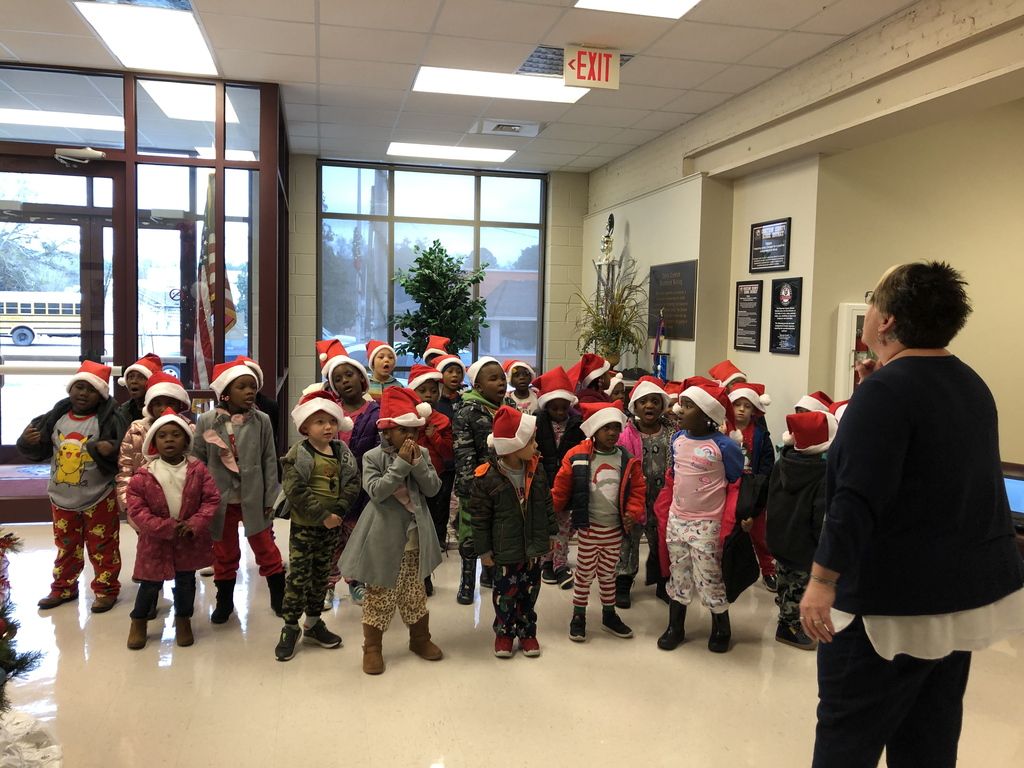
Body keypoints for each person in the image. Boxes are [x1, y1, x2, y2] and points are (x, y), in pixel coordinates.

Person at [799, 262, 1024, 768]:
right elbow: (927, 473)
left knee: (847, 738)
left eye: (872, 297)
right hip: (955, 602)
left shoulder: (886, 393)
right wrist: (869, 396)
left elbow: (856, 497)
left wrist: (821, 580)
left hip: (887, 610)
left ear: (886, 320)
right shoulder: (969, 383)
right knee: (928, 736)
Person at [337, 387, 444, 675]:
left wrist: (417, 463)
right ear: (387, 432)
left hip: (415, 538)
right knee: (379, 593)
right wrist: (400, 466)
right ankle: (372, 647)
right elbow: (376, 492)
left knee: (414, 592)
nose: (410, 437)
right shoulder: (372, 457)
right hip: (382, 538)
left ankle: (420, 638)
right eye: (403, 431)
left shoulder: (421, 454)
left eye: (414, 430)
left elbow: (433, 489)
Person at [18, 361, 127, 612]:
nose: (83, 393)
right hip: (61, 497)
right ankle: (63, 588)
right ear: (70, 389)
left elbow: (126, 448)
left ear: (100, 395)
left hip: (99, 496)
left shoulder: (110, 419)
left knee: (103, 546)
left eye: (91, 389)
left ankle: (106, 590)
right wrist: (27, 442)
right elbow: (40, 450)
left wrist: (111, 450)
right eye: (79, 387)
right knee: (66, 546)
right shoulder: (55, 418)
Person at [654, 382, 743, 654]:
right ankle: (675, 627)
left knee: (710, 577)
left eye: (688, 406)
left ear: (708, 415)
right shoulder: (678, 439)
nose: (679, 410)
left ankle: (721, 628)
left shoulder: (724, 446)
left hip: (708, 524)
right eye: (681, 404)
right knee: (677, 574)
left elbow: (735, 478)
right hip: (677, 520)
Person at [192, 360, 284, 623]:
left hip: (253, 498)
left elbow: (269, 459)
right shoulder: (208, 420)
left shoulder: (262, 420)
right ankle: (224, 603)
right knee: (224, 552)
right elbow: (197, 460)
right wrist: (201, 501)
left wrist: (270, 497)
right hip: (220, 500)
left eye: (252, 386)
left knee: (266, 548)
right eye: (241, 386)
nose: (249, 391)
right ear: (225, 392)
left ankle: (279, 596)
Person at [274, 391, 360, 662]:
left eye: (332, 422)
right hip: (305, 528)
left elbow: (352, 482)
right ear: (305, 427)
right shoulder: (299, 452)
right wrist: (322, 514)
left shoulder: (340, 452)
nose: (327, 427)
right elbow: (294, 488)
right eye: (319, 422)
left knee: (321, 576)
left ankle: (312, 624)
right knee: (298, 578)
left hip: (331, 527)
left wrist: (338, 511)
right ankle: (290, 627)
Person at [126, 408, 220, 650]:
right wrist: (164, 527)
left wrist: (193, 524)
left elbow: (211, 500)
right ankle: (138, 621)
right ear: (154, 442)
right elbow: (137, 510)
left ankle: (183, 620)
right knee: (149, 583)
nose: (169, 439)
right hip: (155, 542)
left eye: (175, 435)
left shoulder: (198, 470)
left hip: (188, 540)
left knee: (187, 582)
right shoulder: (144, 474)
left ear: (186, 440)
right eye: (163, 435)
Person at [551, 401, 644, 643]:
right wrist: (547, 516)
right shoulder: (577, 456)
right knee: (583, 575)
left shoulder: (627, 459)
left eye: (616, 427)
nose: (612, 432)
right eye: (606, 427)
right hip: (589, 529)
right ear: (593, 429)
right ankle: (578, 616)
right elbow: (561, 490)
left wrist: (632, 513)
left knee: (607, 575)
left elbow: (637, 491)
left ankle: (608, 615)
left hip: (614, 530)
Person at [470, 406, 558, 658]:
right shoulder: (486, 478)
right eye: (530, 440)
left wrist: (552, 533)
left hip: (533, 548)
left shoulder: (536, 468)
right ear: (512, 445)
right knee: (505, 596)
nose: (536, 444)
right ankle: (504, 634)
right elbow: (479, 519)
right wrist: (484, 551)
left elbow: (547, 504)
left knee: (529, 594)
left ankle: (528, 633)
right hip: (504, 552)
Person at [316, 339, 378, 610]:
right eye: (337, 379)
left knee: (358, 540)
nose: (344, 381)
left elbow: (379, 448)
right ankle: (327, 585)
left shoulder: (375, 411)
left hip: (362, 488)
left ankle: (357, 582)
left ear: (362, 379)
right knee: (329, 540)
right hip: (331, 490)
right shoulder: (328, 413)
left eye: (349, 374)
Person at [765, 411, 835, 651]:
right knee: (798, 589)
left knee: (785, 579)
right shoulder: (823, 475)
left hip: (780, 539)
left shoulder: (783, 462)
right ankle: (788, 628)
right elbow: (819, 519)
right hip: (804, 547)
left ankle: (784, 609)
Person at [451, 356, 513, 603]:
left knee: (497, 534)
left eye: (502, 378)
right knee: (470, 537)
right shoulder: (466, 412)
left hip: (504, 486)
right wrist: (471, 490)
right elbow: (464, 454)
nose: (501, 382)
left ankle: (491, 575)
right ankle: (467, 583)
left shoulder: (508, 409)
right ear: (477, 386)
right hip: (475, 490)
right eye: (494, 379)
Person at [614, 376, 673, 608]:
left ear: (662, 405)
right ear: (635, 406)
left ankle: (662, 583)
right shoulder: (625, 435)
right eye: (643, 401)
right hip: (634, 499)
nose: (649, 405)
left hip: (661, 500)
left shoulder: (671, 435)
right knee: (628, 540)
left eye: (655, 401)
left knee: (661, 541)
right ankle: (623, 582)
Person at [116, 372, 193, 531]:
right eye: (157, 403)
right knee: (150, 551)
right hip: (145, 509)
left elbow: (198, 471)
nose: (163, 408)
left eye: (170, 403)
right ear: (150, 406)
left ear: (180, 404)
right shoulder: (136, 430)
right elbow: (125, 469)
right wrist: (129, 504)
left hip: (181, 509)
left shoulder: (191, 430)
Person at [532, 366, 585, 589]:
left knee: (563, 527)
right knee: (545, 525)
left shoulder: (576, 425)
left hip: (566, 486)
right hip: (542, 485)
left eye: (565, 407)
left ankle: (560, 564)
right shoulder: (537, 423)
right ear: (546, 406)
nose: (561, 412)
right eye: (555, 408)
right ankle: (546, 562)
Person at [725, 382, 778, 591]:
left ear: (754, 410)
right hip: (727, 489)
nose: (741, 409)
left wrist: (759, 499)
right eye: (737, 404)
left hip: (753, 490)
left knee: (758, 533)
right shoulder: (722, 430)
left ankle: (768, 570)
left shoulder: (761, 435)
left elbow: (767, 468)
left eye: (746, 406)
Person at [407, 363, 455, 594]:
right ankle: (406, 576)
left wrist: (434, 435)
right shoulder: (406, 419)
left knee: (432, 529)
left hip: (436, 482)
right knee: (410, 531)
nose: (428, 395)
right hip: (409, 484)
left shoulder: (443, 421)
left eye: (433, 390)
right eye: (422, 390)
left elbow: (448, 453)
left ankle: (426, 576)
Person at [116, 353, 162, 425]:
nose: (134, 381)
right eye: (131, 377)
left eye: (141, 378)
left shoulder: (160, 411)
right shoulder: (122, 411)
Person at [433, 353, 466, 424]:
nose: (455, 375)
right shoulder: (435, 400)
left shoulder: (466, 398)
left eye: (459, 372)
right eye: (450, 371)